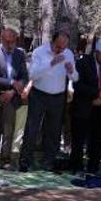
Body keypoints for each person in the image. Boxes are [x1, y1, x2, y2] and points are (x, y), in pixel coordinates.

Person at [19, 31, 79, 172]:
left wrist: (71, 71)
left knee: (54, 131)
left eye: (63, 47)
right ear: (52, 42)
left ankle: (49, 162)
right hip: (39, 94)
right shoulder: (39, 52)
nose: (60, 50)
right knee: (32, 129)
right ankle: (25, 161)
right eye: (58, 46)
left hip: (58, 96)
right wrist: (51, 63)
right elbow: (33, 74)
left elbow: (75, 78)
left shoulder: (68, 53)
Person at [70, 38, 101, 174]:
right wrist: (97, 93)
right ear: (96, 52)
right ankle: (77, 166)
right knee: (79, 139)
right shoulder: (83, 63)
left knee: (98, 139)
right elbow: (77, 85)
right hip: (84, 107)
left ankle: (93, 167)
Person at [0, 28, 29, 170]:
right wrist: (11, 83)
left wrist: (13, 91)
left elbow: (24, 76)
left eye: (12, 41)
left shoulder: (20, 54)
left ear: (16, 40)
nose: (9, 44)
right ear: (1, 39)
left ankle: (5, 160)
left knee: (9, 130)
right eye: (7, 41)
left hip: (11, 97)